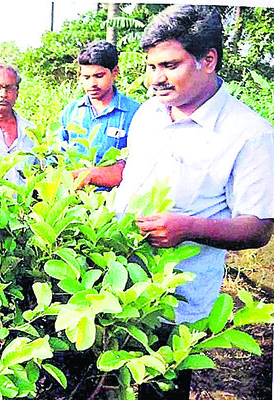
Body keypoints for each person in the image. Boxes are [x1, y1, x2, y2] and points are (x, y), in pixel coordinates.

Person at [81, 5, 274, 399]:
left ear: (208, 60)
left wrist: (187, 228)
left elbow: (258, 228)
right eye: (150, 66)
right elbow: (133, 171)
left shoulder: (249, 133)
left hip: (173, 304)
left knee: (158, 391)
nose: (156, 79)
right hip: (112, 281)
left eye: (169, 65)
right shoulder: (149, 113)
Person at [59, 41, 140, 188]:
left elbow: (138, 166)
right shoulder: (70, 112)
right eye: (86, 77)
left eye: (99, 76)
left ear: (115, 72)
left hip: (114, 202)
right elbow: (56, 156)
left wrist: (91, 175)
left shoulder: (135, 113)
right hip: (73, 201)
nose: (92, 84)